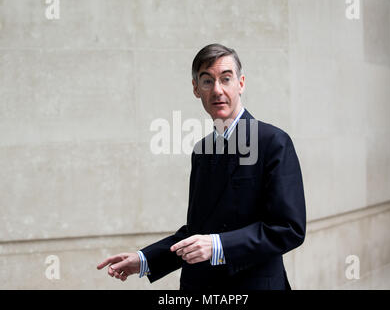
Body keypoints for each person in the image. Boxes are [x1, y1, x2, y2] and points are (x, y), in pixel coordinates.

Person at [97, 43, 306, 290]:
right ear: (196, 89)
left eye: (226, 79)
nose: (217, 90)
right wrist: (144, 260)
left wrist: (218, 246)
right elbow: (197, 231)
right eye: (207, 81)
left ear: (240, 83)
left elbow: (289, 228)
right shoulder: (201, 150)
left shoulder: (273, 142)